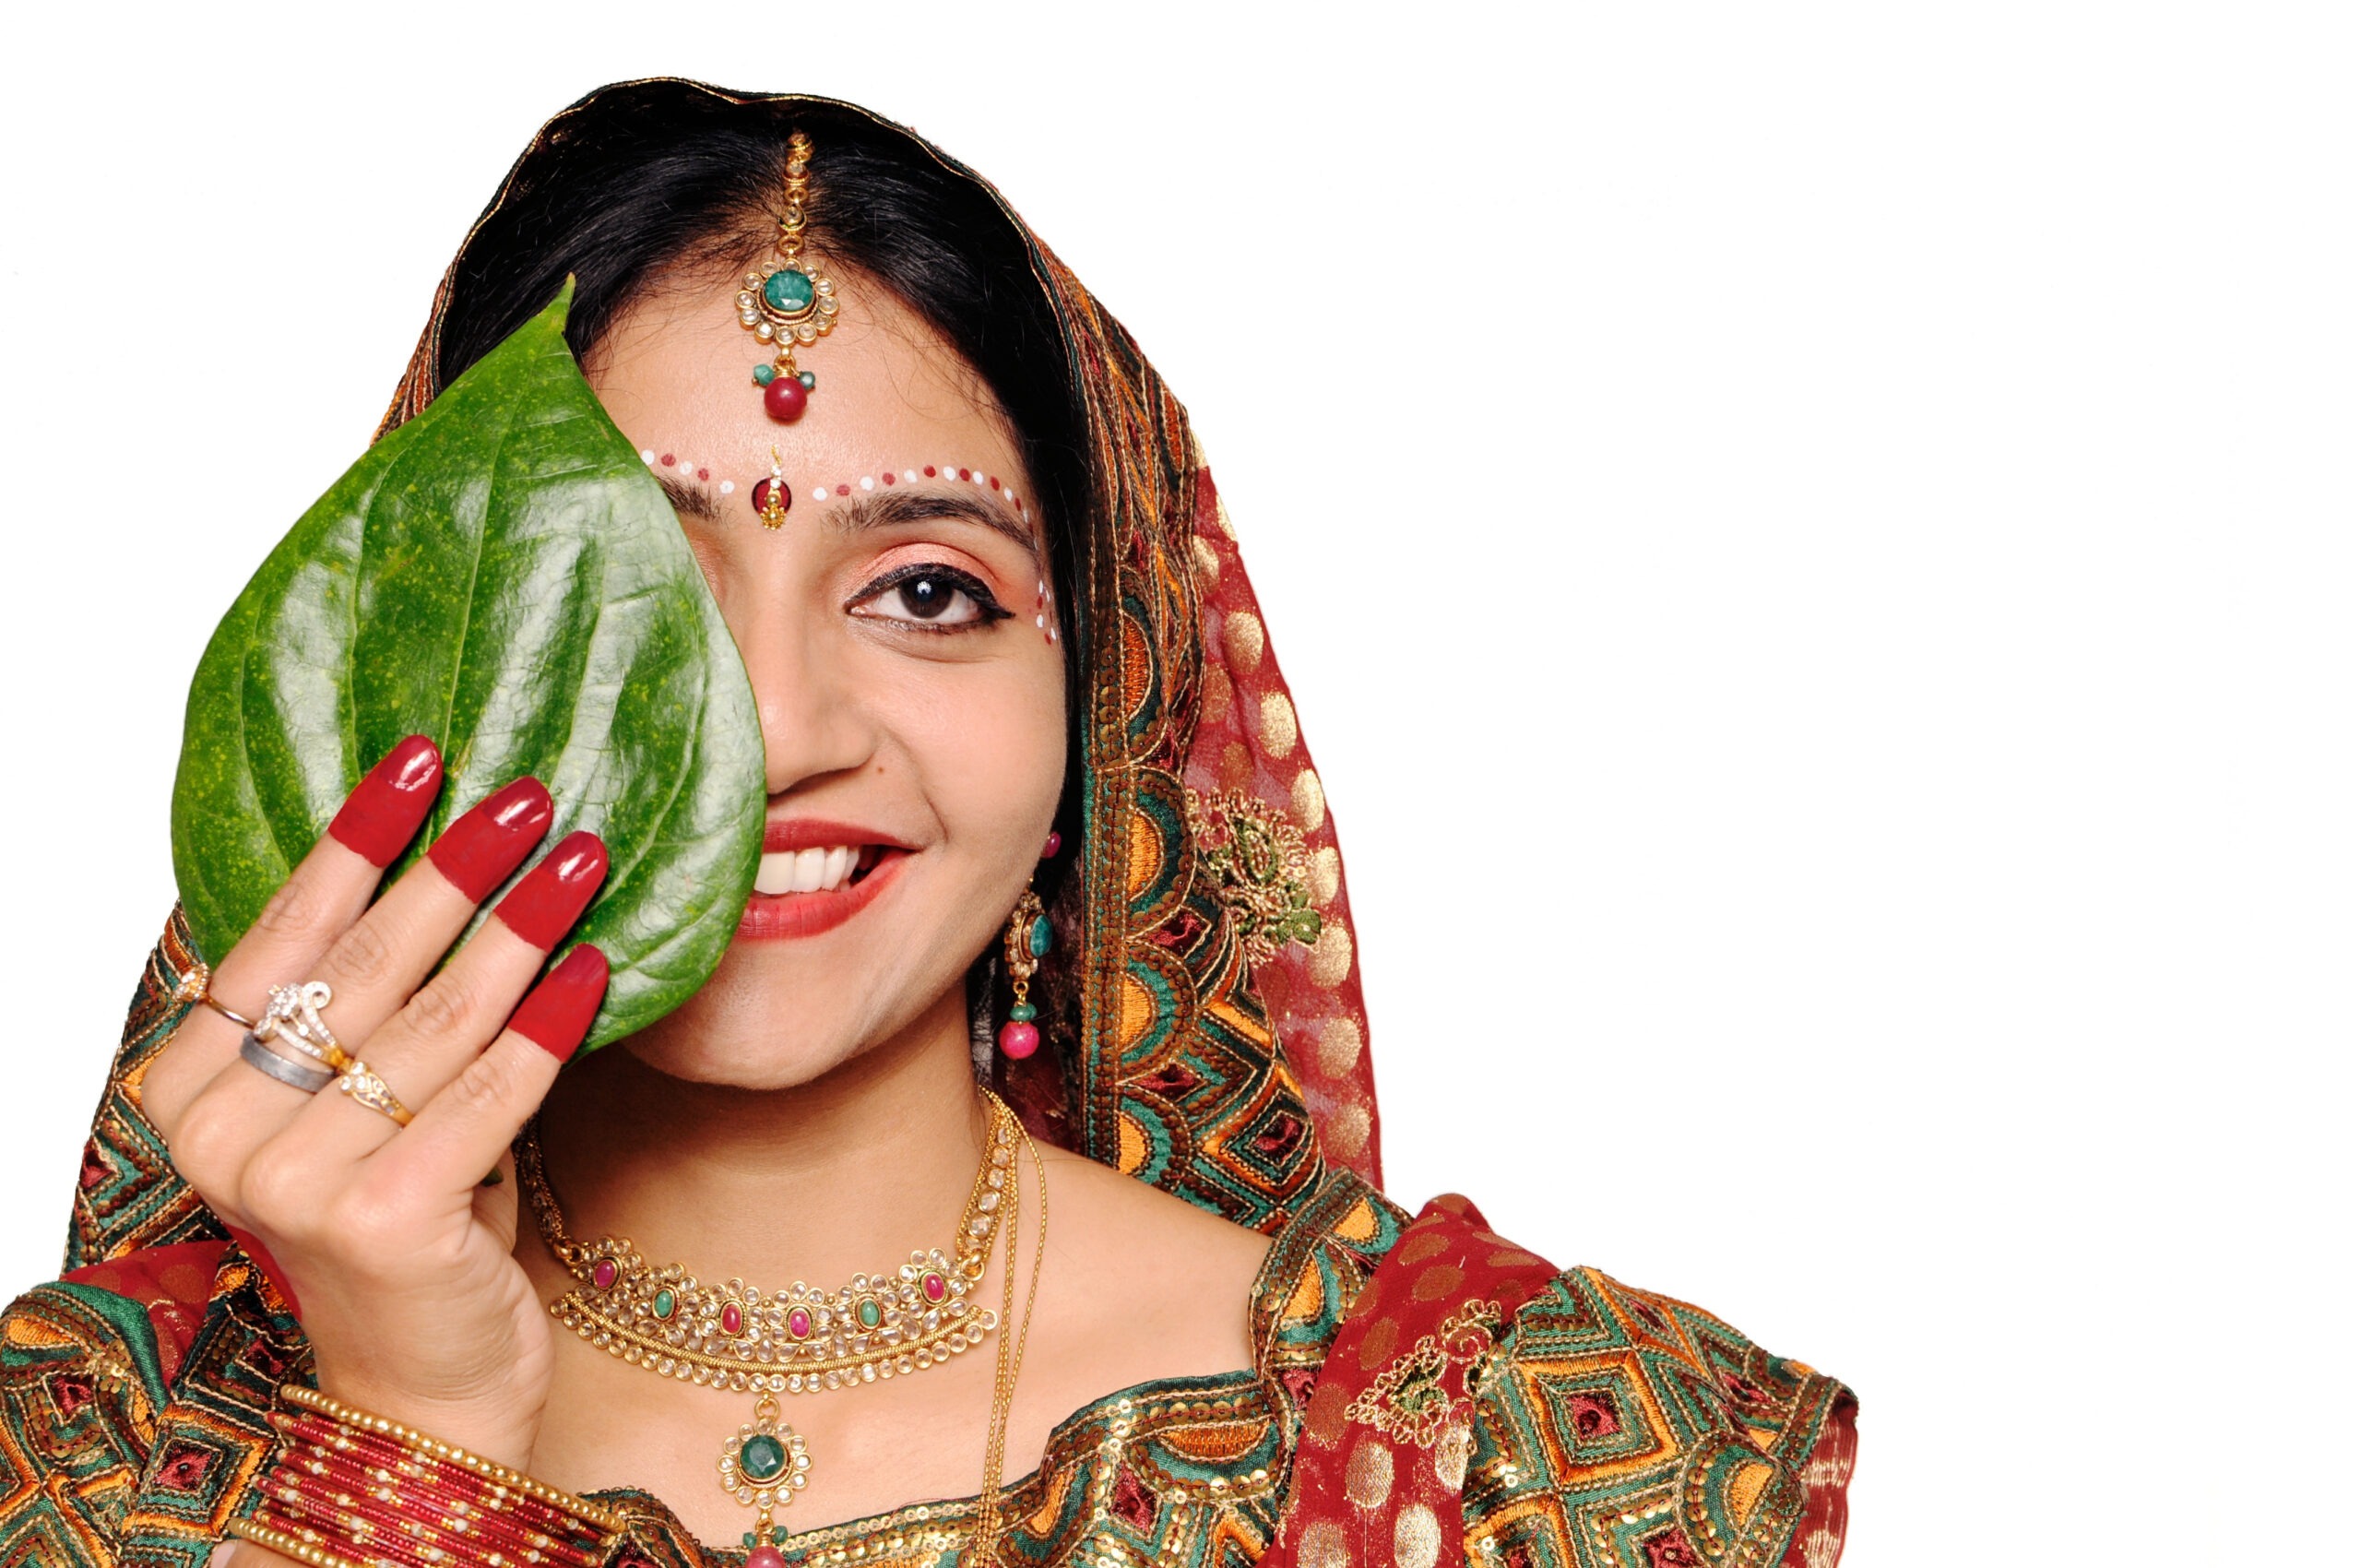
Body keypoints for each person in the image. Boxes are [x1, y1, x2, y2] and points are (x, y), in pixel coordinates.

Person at [0, 80, 1856, 1568]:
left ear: (1103, 703)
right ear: (428, 641)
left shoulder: (1524, 1463)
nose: (777, 730)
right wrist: (403, 1460)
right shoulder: (80, 1460)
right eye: (634, 584)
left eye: (928, 590)